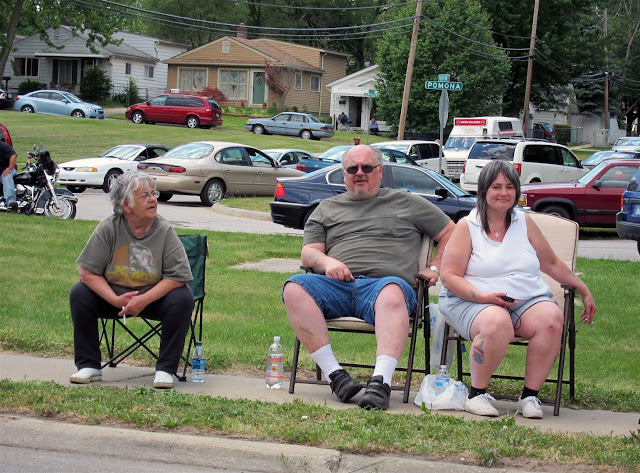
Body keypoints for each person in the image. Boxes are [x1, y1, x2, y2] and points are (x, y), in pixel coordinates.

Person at [282, 145, 455, 410]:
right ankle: (336, 377)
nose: (359, 173)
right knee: (294, 288)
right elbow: (309, 253)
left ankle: (380, 383)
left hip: (387, 286)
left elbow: (451, 233)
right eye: (352, 169)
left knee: (391, 292)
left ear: (380, 172)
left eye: (366, 168)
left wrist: (434, 267)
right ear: (344, 174)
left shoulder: (407, 202)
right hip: (337, 287)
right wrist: (327, 262)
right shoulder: (326, 208)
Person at [438, 159, 596, 419]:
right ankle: (476, 394)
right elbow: (449, 276)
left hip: (523, 300)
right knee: (497, 321)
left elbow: (551, 262)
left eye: (510, 187)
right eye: (496, 186)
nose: (503, 193)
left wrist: (582, 288)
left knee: (552, 318)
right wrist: (485, 297)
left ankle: (530, 396)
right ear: (484, 190)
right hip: (470, 300)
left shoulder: (524, 222)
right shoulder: (469, 226)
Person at [69, 173, 194, 389]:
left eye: (153, 194)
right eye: (144, 195)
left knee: (183, 298)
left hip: (153, 299)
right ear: (126, 204)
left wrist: (143, 300)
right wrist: (115, 299)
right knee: (79, 293)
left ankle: (165, 369)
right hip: (113, 298)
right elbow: (87, 272)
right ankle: (89, 365)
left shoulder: (164, 229)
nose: (153, 199)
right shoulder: (109, 228)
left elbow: (179, 277)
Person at [0, 140, 18, 211]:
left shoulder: (2, 145)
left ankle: (10, 201)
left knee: (6, 176)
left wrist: (10, 169)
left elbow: (13, 155)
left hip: (5, 171)